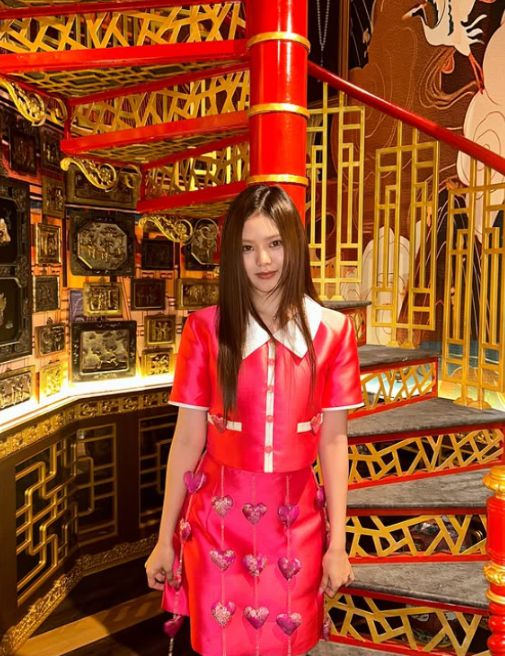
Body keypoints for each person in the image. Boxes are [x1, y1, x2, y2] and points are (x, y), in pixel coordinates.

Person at [145, 184, 363, 656]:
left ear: (294, 245)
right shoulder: (205, 329)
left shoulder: (333, 332)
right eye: (247, 248)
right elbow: (187, 441)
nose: (263, 260)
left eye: (274, 243)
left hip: (296, 524)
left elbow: (333, 442)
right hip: (216, 524)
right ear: (232, 255)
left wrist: (338, 545)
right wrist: (164, 539)